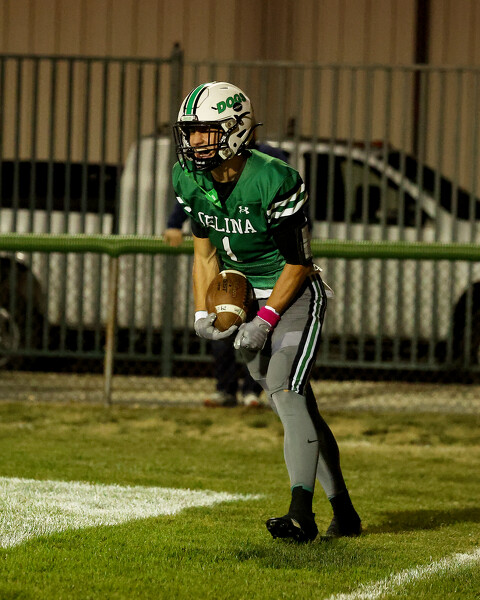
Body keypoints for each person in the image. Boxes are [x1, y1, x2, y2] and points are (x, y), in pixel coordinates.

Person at [171, 81, 361, 542]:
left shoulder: (274, 178)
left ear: (236, 129)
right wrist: (201, 313)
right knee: (296, 405)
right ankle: (345, 514)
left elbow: (297, 263)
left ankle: (301, 514)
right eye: (190, 132)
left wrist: (267, 319)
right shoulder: (189, 178)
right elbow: (205, 255)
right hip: (246, 298)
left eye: (205, 131)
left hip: (290, 294)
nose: (195, 142)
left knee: (284, 388)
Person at [164, 141, 289, 408]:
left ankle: (253, 390)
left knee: (257, 330)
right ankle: (226, 388)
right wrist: (174, 222)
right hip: (226, 262)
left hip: (261, 263)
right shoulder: (198, 166)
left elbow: (290, 207)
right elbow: (196, 196)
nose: (198, 140)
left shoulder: (270, 161)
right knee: (221, 321)